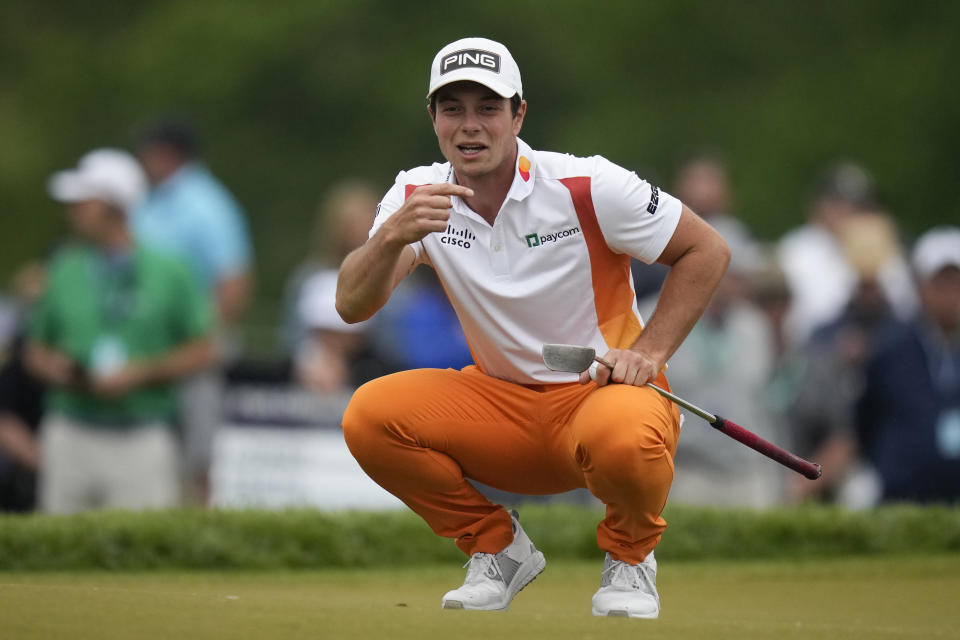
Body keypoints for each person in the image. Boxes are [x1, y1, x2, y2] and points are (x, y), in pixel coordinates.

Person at [337, 38, 729, 618]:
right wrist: (392, 235)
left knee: (623, 434)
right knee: (369, 418)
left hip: (602, 400)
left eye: (488, 108)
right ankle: (498, 549)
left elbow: (707, 249)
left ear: (519, 115)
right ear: (433, 119)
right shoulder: (414, 195)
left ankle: (631, 557)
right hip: (499, 408)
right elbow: (351, 304)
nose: (470, 126)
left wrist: (649, 353)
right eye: (453, 109)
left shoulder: (586, 184)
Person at [26, 149, 215, 513]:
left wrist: (141, 373)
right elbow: (35, 351)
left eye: (85, 201)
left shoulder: (171, 270)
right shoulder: (63, 267)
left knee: (141, 555)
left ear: (115, 206)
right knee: (59, 551)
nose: (73, 209)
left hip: (143, 433)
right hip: (70, 430)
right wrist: (59, 370)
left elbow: (205, 349)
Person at [133, 119, 254, 501]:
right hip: (155, 347)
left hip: (193, 346)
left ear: (166, 154)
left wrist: (201, 337)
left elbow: (234, 280)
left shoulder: (205, 203)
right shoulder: (153, 201)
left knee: (199, 449)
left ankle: (196, 522)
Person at [856, 226, 960, 503]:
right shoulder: (892, 347)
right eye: (940, 283)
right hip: (904, 493)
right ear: (920, 286)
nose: (950, 294)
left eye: (956, 283)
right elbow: (866, 418)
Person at [777, 163, 917, 346]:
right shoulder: (795, 250)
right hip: (812, 350)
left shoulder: (886, 248)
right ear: (818, 206)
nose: (845, 211)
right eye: (836, 203)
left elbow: (905, 307)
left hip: (879, 352)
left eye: (855, 205)